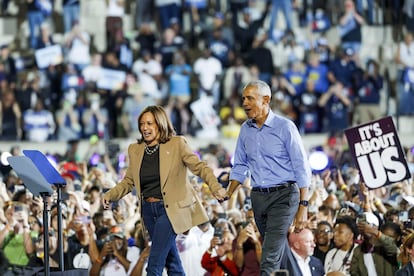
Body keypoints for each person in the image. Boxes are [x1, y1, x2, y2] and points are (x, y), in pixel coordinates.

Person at [102, 105, 228, 275]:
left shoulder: (177, 144)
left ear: (160, 123)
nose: (144, 128)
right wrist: (110, 194)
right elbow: (129, 181)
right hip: (148, 211)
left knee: (154, 263)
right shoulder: (135, 149)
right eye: (142, 124)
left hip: (170, 210)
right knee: (172, 261)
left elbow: (200, 167)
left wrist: (216, 187)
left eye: (149, 123)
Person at [226, 80, 311, 275]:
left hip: (285, 196)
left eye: (250, 98)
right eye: (243, 99)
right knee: (277, 247)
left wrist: (303, 206)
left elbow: (301, 167)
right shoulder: (245, 129)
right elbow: (240, 165)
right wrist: (229, 193)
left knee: (270, 255)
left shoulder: (285, 127)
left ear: (266, 100)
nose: (244, 103)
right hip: (258, 197)